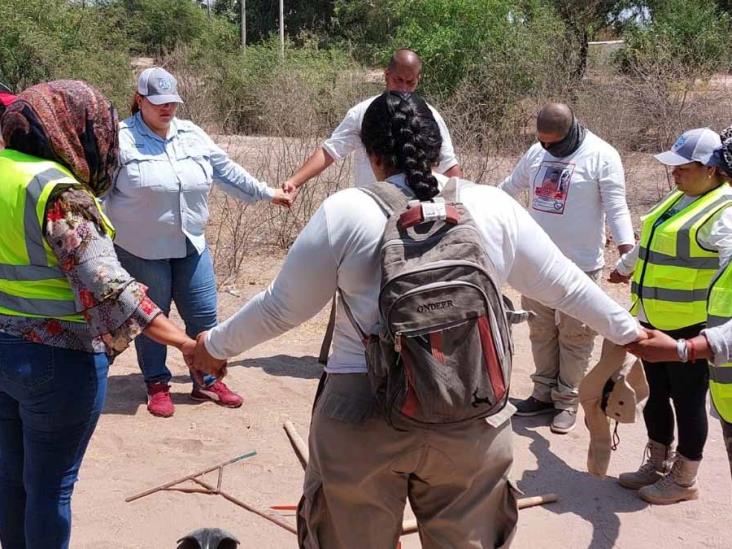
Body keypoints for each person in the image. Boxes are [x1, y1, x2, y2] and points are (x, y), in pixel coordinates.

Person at [189, 92, 644, 548]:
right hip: (471, 409)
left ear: (370, 154)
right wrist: (633, 334)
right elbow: (567, 286)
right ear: (437, 147)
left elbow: (280, 308)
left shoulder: (346, 212)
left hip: (361, 411)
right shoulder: (493, 208)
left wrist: (212, 348)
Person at [0, 80, 197, 549]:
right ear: (74, 129)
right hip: (56, 361)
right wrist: (188, 344)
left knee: (10, 482)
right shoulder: (58, 193)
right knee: (50, 489)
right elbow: (109, 287)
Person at [104, 67, 290, 418]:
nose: (167, 109)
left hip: (191, 245)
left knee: (204, 315)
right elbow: (99, 193)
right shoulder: (119, 139)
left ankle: (205, 379)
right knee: (153, 320)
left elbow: (228, 171)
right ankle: (157, 383)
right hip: (141, 249)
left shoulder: (192, 135)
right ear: (139, 100)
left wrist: (269, 193)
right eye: (158, 102)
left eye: (172, 102)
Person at [609, 127, 732, 504]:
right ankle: (658, 460)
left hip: (691, 330)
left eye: (683, 168)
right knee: (658, 394)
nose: (674, 174)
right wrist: (626, 266)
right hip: (653, 318)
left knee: (688, 401)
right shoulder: (681, 197)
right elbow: (652, 239)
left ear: (710, 170)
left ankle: (684, 479)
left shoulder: (724, 213)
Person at [498, 102, 635, 434]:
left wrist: (627, 254)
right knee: (541, 331)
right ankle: (543, 394)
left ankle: (567, 400)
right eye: (542, 142)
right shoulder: (536, 153)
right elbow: (508, 189)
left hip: (581, 265)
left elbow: (616, 207)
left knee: (576, 336)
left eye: (553, 143)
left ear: (572, 129)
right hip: (536, 264)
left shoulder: (602, 155)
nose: (547, 148)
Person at [281, 48, 461, 197]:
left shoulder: (429, 116)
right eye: (398, 80)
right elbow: (330, 151)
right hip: (373, 207)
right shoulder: (363, 113)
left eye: (410, 82)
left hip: (418, 211)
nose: (404, 89)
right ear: (386, 74)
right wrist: (294, 182)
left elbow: (449, 167)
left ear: (418, 80)